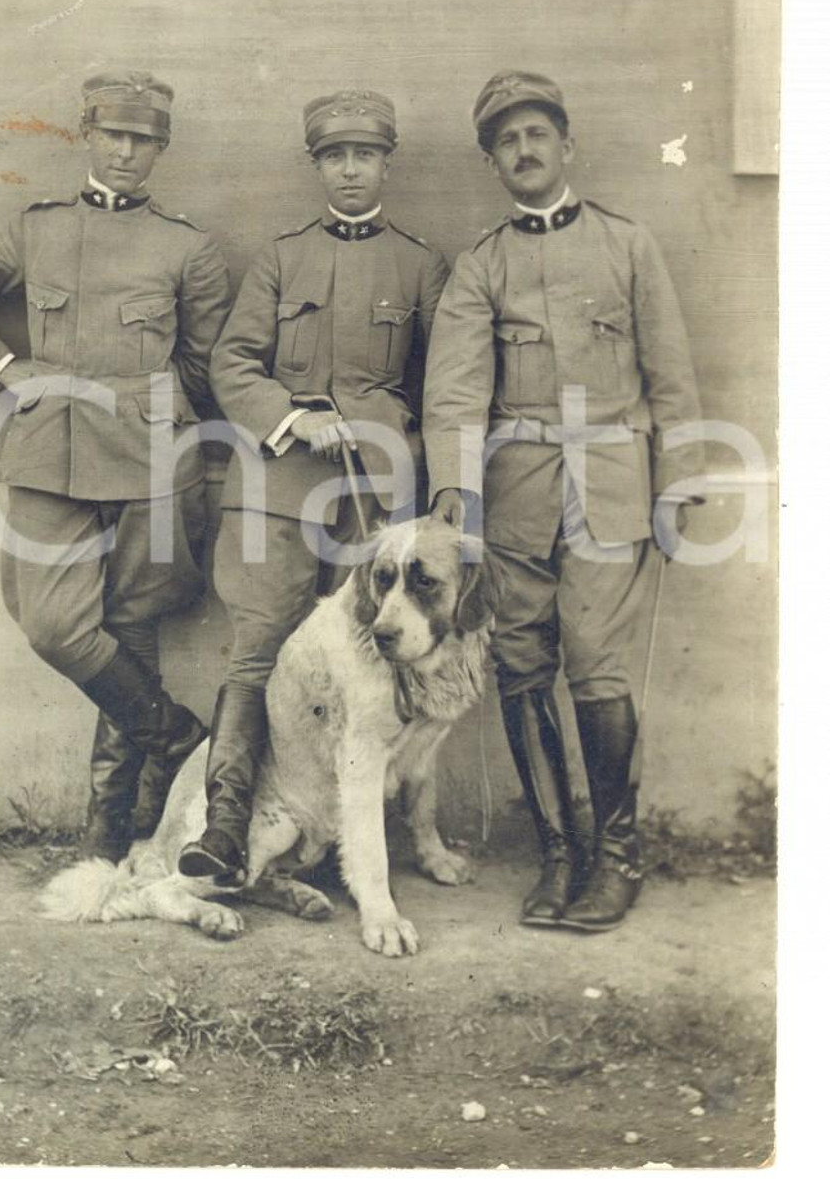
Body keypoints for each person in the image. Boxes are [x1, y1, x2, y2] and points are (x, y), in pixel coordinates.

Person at [0, 72, 232, 864]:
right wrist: (1, 372)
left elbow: (203, 365)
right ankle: (176, 733)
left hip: (149, 459)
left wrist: (161, 422)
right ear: (87, 134)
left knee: (131, 629)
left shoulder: (187, 246)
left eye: (144, 139)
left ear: (161, 147)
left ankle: (109, 828)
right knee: (55, 626)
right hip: (48, 452)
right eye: (113, 134)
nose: (126, 152)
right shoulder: (36, 230)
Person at [423, 71, 704, 932]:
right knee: (520, 662)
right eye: (507, 140)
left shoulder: (627, 245)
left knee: (597, 661)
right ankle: (558, 855)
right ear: (492, 161)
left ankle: (615, 859)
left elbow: (671, 372)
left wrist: (680, 476)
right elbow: (456, 392)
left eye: (538, 133)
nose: (525, 149)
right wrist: (453, 497)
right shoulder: (483, 263)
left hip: (612, 485)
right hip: (517, 495)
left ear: (567, 145)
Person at [178, 89, 451, 882]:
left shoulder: (419, 263)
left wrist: (408, 455)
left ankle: (373, 840)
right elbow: (232, 363)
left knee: (374, 660)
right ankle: (227, 827)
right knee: (258, 653)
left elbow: (447, 385)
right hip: (275, 489)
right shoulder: (280, 257)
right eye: (335, 155)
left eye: (365, 154)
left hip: (376, 502)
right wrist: (290, 420)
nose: (351, 169)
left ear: (387, 163)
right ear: (318, 165)